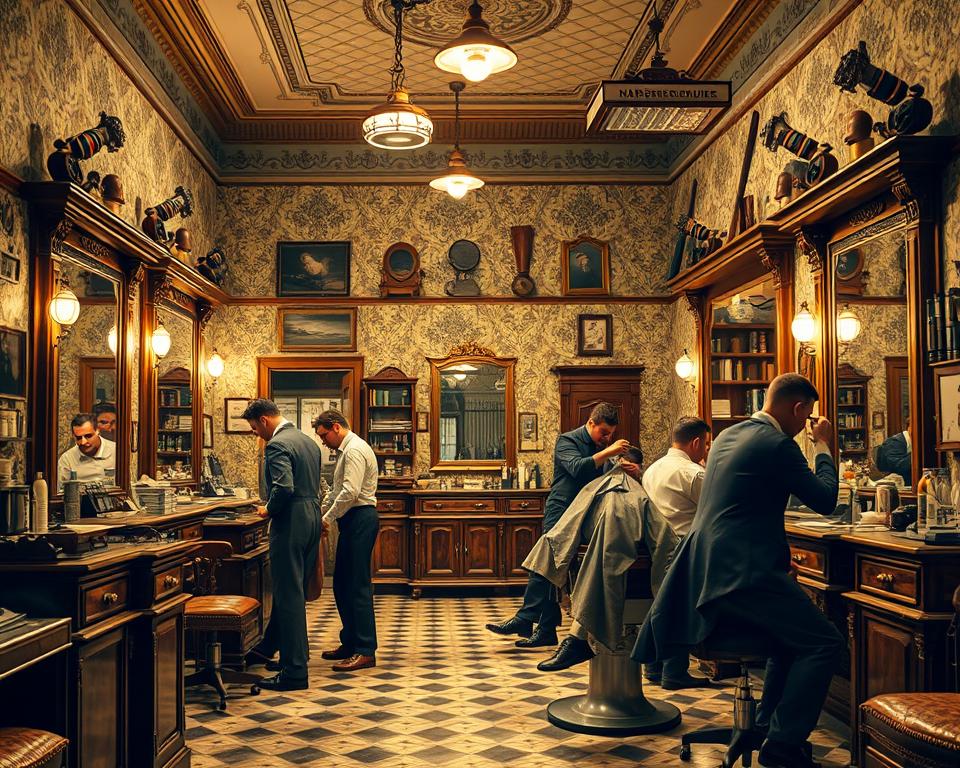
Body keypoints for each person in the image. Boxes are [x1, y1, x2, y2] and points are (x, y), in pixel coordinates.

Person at [633, 374, 842, 768]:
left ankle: (767, 728)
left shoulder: (729, 435)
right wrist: (825, 446)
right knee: (824, 643)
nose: (806, 424)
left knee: (788, 640)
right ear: (798, 409)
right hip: (741, 576)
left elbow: (738, 509)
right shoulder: (778, 443)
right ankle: (782, 746)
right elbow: (827, 500)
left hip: (712, 571)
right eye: (807, 416)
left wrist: (777, 557)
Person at [486, 403, 629, 647]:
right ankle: (532, 620)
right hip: (561, 508)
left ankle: (542, 626)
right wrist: (608, 453)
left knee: (555, 566)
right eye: (603, 432)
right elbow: (576, 468)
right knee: (548, 558)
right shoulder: (567, 440)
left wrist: (623, 465)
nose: (607, 438)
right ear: (591, 423)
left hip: (586, 512)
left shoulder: (603, 446)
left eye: (611, 434)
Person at [528, 445, 678, 672]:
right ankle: (575, 636)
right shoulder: (625, 492)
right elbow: (665, 541)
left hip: (605, 554)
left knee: (611, 526)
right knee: (613, 525)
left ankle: (571, 634)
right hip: (625, 561)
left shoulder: (613, 491)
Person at [244, 398, 321, 691]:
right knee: (295, 592)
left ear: (264, 420)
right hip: (311, 515)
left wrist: (268, 510)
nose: (255, 434)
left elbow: (284, 487)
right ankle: (280, 650)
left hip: (291, 521)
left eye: (254, 428)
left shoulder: (277, 445)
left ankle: (294, 672)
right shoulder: (306, 440)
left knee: (288, 595)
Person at [639, 416, 711, 689]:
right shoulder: (693, 474)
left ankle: (654, 667)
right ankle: (674, 672)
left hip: (658, 545)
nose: (706, 450)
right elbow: (713, 512)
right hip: (685, 546)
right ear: (695, 442)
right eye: (705, 444)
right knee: (680, 608)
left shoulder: (652, 470)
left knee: (661, 605)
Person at [314, 409, 380, 672]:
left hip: (361, 517)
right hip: (353, 518)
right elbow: (337, 490)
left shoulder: (353, 450)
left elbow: (351, 493)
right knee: (342, 584)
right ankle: (350, 641)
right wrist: (321, 513)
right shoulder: (345, 450)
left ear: (336, 427)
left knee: (357, 586)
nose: (322, 441)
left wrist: (326, 519)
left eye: (323, 435)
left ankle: (365, 650)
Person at [57, 413, 117, 492]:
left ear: (97, 431)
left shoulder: (116, 451)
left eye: (88, 436)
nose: (83, 442)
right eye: (78, 438)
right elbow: (60, 491)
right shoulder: (67, 459)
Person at [874, 418, 911, 485]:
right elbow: (899, 467)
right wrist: (916, 453)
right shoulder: (894, 442)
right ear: (909, 428)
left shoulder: (909, 441)